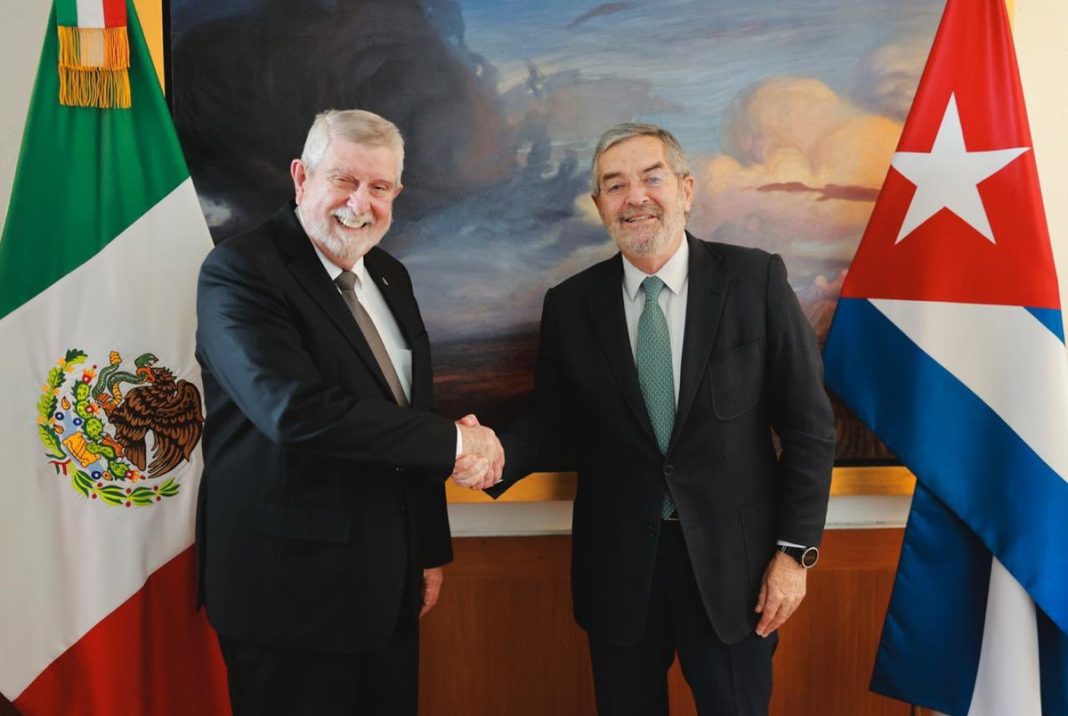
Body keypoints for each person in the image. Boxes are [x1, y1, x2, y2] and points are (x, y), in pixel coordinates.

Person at [457, 123, 835, 715]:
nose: (634, 197)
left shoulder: (755, 280)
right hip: (619, 573)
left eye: (651, 178)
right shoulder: (571, 304)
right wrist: (491, 454)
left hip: (737, 574)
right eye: (615, 185)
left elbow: (809, 429)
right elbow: (554, 424)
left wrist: (795, 555)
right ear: (599, 205)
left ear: (686, 189)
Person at [195, 108, 502, 716]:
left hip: (388, 588)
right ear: (301, 178)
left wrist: (427, 549)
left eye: (379, 187)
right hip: (287, 599)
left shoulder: (390, 276)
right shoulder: (239, 272)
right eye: (344, 179)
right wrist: (456, 444)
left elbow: (408, 410)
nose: (360, 204)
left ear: (397, 195)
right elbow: (295, 412)